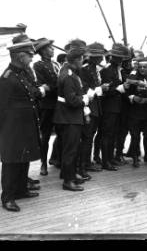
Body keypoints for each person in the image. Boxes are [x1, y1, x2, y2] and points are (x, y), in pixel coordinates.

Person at [0, 34, 48, 212]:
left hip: (25, 125)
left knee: (24, 158)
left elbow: (31, 95)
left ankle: (21, 190)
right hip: (13, 128)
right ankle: (7, 197)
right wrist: (2, 129)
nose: (32, 58)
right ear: (20, 56)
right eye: (30, 55)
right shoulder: (7, 78)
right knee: (11, 162)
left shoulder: (21, 74)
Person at [52, 39, 87, 191]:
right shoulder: (68, 75)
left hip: (68, 116)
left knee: (72, 148)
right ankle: (68, 180)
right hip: (69, 117)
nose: (83, 63)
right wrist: (85, 99)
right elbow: (72, 100)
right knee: (70, 149)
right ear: (76, 60)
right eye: (82, 60)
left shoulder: (68, 71)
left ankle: (70, 174)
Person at [78, 42, 109, 173]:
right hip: (89, 107)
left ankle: (87, 162)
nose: (102, 59)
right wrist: (100, 88)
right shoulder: (84, 69)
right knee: (87, 136)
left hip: (96, 107)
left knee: (90, 135)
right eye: (100, 56)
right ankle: (84, 164)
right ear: (94, 57)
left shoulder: (95, 69)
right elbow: (85, 90)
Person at [100, 43, 130, 171]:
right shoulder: (106, 70)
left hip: (118, 108)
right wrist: (121, 88)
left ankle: (111, 158)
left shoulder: (119, 70)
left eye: (121, 57)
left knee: (113, 134)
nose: (120, 60)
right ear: (112, 57)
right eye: (118, 57)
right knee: (107, 134)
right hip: (109, 107)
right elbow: (106, 91)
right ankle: (105, 161)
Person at [33, 38, 60, 176]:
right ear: (43, 51)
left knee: (61, 134)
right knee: (45, 136)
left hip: (59, 105)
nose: (53, 49)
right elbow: (42, 85)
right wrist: (55, 86)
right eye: (50, 48)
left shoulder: (56, 64)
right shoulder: (38, 66)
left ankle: (56, 158)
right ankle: (43, 163)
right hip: (47, 106)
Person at [127, 57, 147, 167]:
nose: (142, 69)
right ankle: (135, 156)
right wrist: (133, 97)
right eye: (140, 67)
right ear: (137, 68)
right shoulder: (133, 78)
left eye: (145, 67)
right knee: (135, 136)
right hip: (135, 111)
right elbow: (126, 92)